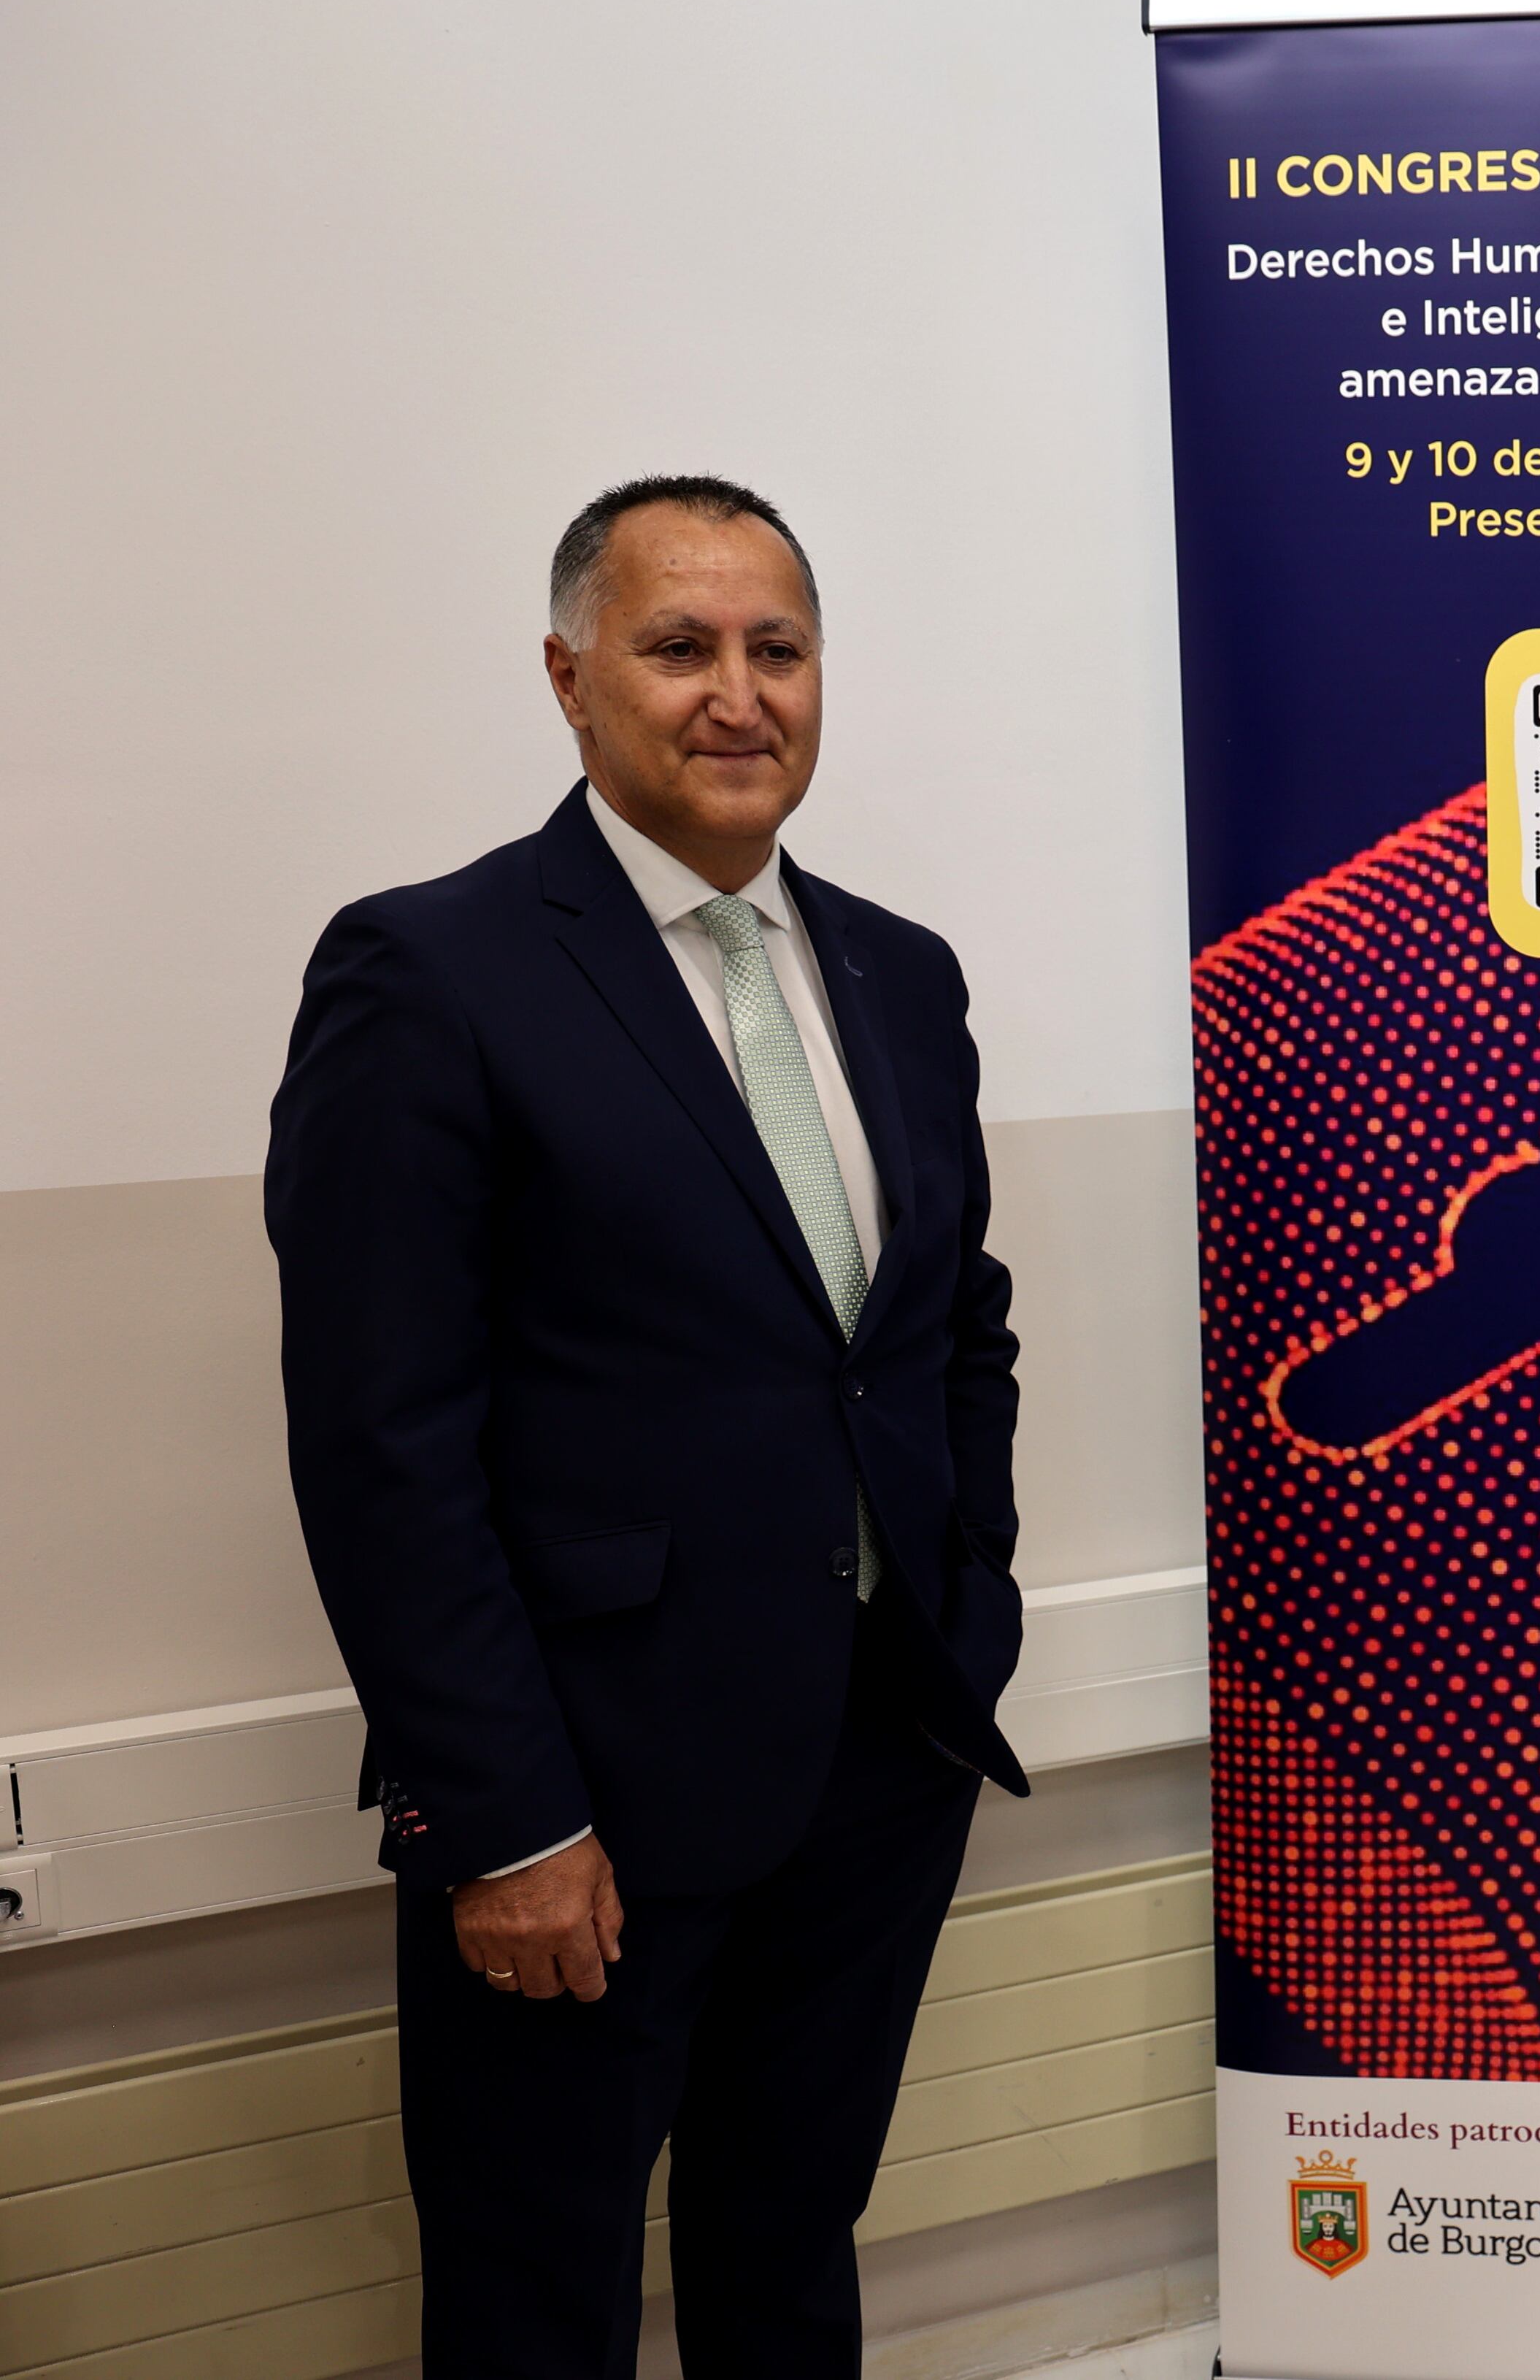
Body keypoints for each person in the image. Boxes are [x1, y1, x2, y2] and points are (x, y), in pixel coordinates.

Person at [266, 477, 1031, 2377]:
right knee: (541, 2312)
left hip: (873, 1769)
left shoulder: (900, 974)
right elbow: (383, 1441)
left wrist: (970, 1618)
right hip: (587, 1810)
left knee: (790, 2258)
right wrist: (504, 1818)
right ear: (570, 678)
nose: (737, 693)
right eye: (678, 646)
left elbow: (950, 1336)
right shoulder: (431, 974)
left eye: (777, 648)